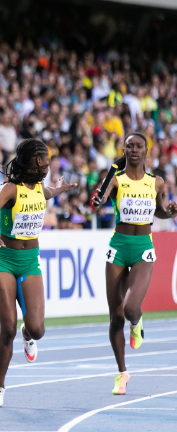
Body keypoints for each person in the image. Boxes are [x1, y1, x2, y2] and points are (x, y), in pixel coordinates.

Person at [0, 138, 77, 408]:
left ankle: (28, 334)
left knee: (37, 329)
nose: (46, 165)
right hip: (4, 260)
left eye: (47, 161)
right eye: (41, 161)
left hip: (30, 260)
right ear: (28, 162)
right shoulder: (11, 189)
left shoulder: (39, 188)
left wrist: (59, 190)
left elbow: (43, 195)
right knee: (6, 327)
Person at [92, 132, 177, 395]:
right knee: (115, 316)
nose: (134, 149)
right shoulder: (116, 179)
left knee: (130, 308)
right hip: (118, 248)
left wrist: (169, 211)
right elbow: (101, 199)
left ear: (146, 150)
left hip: (142, 249)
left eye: (139, 145)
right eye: (129, 146)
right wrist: (98, 198)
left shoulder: (156, 182)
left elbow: (158, 210)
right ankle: (122, 373)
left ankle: (137, 322)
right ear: (125, 150)